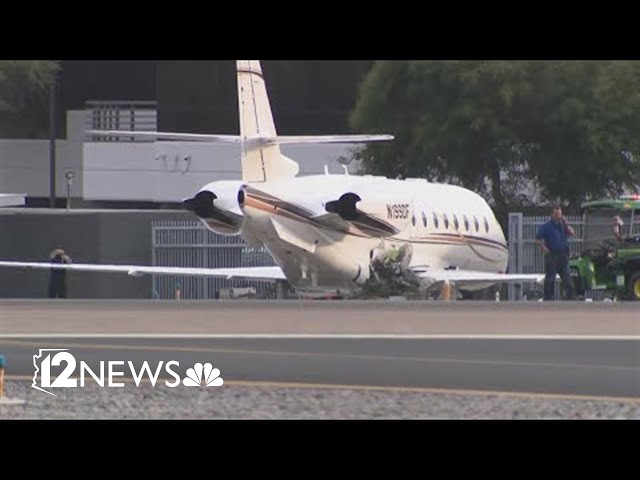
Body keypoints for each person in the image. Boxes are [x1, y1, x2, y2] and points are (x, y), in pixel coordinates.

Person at [535, 206, 577, 301]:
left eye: (560, 214)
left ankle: (571, 297)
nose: (558, 217)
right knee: (550, 278)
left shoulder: (563, 226)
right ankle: (548, 298)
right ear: (552, 215)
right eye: (556, 214)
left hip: (563, 254)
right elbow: (538, 239)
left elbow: (572, 232)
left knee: (567, 276)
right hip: (552, 254)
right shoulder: (546, 226)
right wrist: (544, 249)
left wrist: (565, 223)